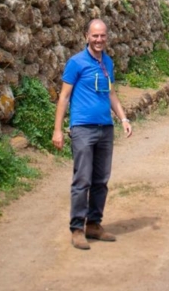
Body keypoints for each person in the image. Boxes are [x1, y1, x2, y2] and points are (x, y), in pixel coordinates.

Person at [52, 18, 132, 250]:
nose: (99, 40)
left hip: (105, 129)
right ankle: (77, 228)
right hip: (83, 129)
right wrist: (57, 130)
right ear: (87, 36)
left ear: (107, 37)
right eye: (95, 35)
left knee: (101, 180)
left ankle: (94, 224)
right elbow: (64, 97)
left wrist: (123, 119)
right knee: (82, 179)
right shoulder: (76, 63)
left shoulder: (107, 62)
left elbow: (111, 95)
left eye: (102, 36)